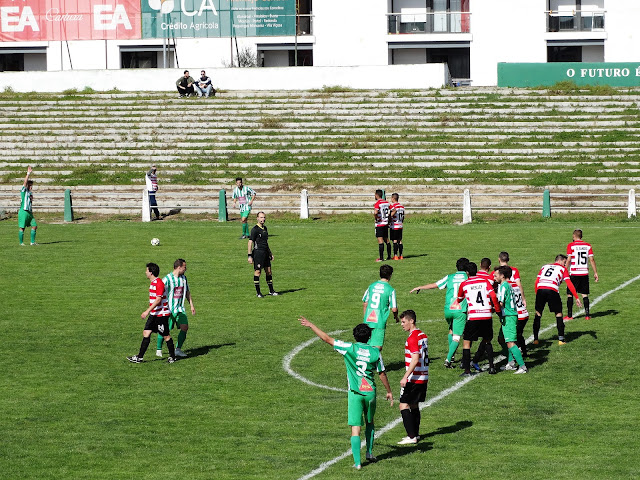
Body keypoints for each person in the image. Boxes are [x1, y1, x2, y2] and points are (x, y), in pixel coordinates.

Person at [298, 317, 394, 470]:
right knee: (370, 423)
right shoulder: (375, 352)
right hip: (370, 393)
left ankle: (357, 463)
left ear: (355, 336)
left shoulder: (349, 348)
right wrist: (389, 391)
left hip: (355, 393)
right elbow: (382, 373)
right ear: (369, 337)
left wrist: (311, 325)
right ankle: (369, 453)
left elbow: (327, 339)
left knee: (355, 427)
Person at [409, 257, 469, 368]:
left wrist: (420, 287)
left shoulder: (450, 277)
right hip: (460, 310)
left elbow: (435, 285)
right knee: (457, 336)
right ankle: (448, 359)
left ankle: (451, 355)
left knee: (451, 330)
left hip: (448, 310)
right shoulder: (468, 277)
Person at [454, 262, 501, 376]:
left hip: (474, 316)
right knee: (487, 340)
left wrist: (460, 299)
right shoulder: (485, 281)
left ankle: (467, 370)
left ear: (467, 272)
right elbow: (493, 296)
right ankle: (491, 367)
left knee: (466, 342)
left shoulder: (465, 283)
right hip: (486, 315)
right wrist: (497, 310)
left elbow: (459, 298)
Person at [128, 263, 176, 364]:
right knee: (146, 333)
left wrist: (147, 311)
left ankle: (172, 357)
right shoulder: (153, 283)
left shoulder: (159, 283)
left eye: (147, 270)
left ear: (151, 272)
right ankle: (139, 357)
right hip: (154, 314)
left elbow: (158, 300)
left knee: (166, 335)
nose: (145, 272)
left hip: (161, 315)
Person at [533, 254, 582, 346]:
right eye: (564, 262)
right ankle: (561, 339)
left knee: (538, 313)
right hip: (552, 289)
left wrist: (537, 294)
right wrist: (576, 297)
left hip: (541, 288)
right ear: (560, 260)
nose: (565, 264)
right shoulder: (563, 269)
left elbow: (537, 281)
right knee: (558, 313)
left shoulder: (544, 266)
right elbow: (569, 283)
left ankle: (535, 339)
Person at [397, 310, 429, 445]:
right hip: (423, 376)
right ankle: (416, 434)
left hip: (414, 378)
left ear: (412, 321)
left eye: (404, 322)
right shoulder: (422, 335)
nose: (402, 324)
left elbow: (415, 359)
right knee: (414, 405)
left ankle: (411, 436)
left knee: (403, 405)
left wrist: (405, 377)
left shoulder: (412, 338)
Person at [156, 258, 195, 358]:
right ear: (179, 267)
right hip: (169, 309)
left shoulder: (184, 278)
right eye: (184, 267)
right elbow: (159, 292)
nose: (186, 269)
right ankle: (159, 349)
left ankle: (178, 349)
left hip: (180, 309)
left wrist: (191, 305)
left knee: (184, 327)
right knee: (165, 330)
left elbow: (187, 292)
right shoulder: (167, 279)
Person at [494, 266, 527, 374]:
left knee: (511, 342)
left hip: (509, 316)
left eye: (496, 275)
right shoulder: (508, 285)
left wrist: (491, 309)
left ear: (502, 276)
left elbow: (500, 303)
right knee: (504, 339)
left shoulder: (503, 286)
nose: (494, 277)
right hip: (509, 315)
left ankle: (522, 367)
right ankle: (511, 363)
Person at [362, 264, 398, 350]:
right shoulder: (390, 289)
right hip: (379, 321)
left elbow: (365, 303)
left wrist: (365, 318)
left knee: (366, 346)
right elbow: (394, 309)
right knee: (377, 347)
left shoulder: (371, 286)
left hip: (368, 320)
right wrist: (396, 317)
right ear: (390, 275)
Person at [565, 229, 599, 321]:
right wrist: (595, 272)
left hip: (574, 273)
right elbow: (591, 259)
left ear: (574, 236)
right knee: (584, 294)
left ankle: (569, 315)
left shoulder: (571, 245)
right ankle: (587, 315)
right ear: (581, 236)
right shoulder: (587, 245)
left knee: (570, 294)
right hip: (584, 273)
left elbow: (569, 259)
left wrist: (564, 270)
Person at [248, 212, 277, 297]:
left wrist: (270, 253)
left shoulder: (265, 228)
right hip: (258, 253)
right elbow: (250, 242)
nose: (263, 219)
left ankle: (271, 291)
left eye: (264, 217)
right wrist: (249, 256)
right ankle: (258, 293)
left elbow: (265, 242)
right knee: (258, 272)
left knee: (269, 271)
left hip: (265, 253)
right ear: (257, 218)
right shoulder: (255, 229)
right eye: (261, 217)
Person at [18, 166, 37, 246]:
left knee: (34, 226)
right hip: (23, 211)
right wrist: (28, 173)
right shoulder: (24, 190)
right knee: (22, 228)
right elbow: (25, 182)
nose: (31, 187)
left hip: (29, 212)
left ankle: (32, 242)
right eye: (30, 185)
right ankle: (21, 243)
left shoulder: (30, 193)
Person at [373, 189, 391, 262]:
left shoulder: (377, 203)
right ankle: (389, 256)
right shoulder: (387, 203)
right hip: (385, 223)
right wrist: (389, 218)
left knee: (380, 240)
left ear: (376, 195)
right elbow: (393, 210)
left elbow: (375, 212)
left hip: (380, 224)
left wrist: (376, 218)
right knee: (386, 240)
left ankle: (381, 258)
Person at [389, 193, 405, 260]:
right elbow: (403, 216)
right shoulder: (402, 207)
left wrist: (389, 221)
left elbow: (391, 215)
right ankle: (401, 255)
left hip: (394, 225)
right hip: (400, 225)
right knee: (400, 240)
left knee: (395, 240)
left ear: (393, 198)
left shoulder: (393, 206)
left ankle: (395, 255)